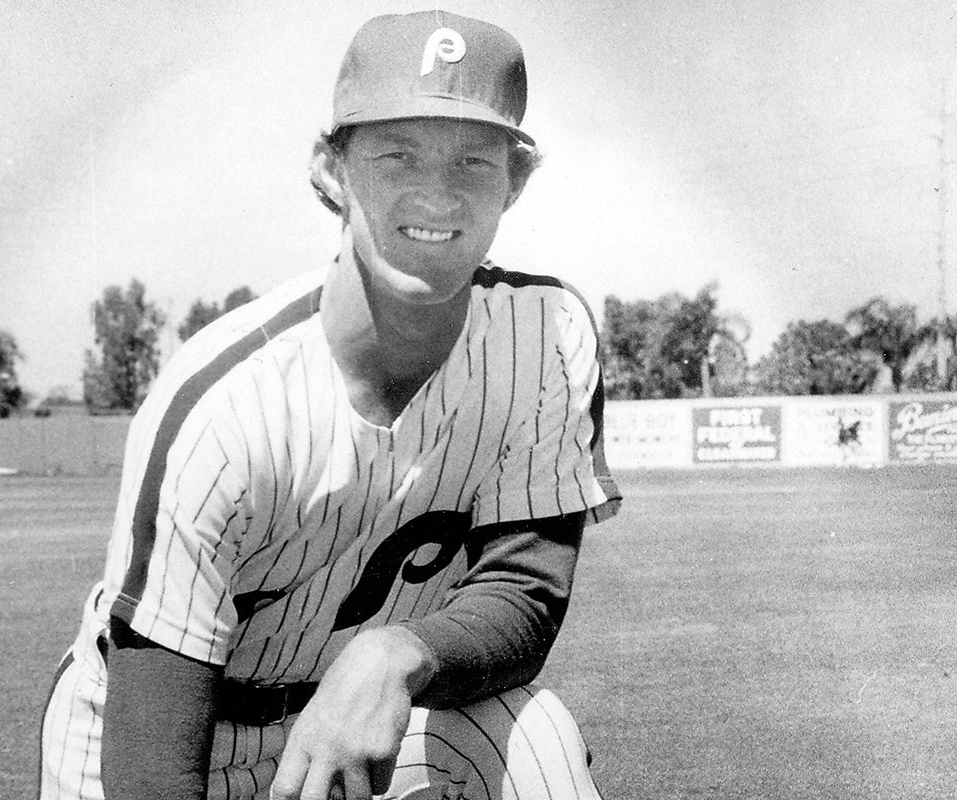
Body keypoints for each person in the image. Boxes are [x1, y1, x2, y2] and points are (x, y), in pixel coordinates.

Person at [39, 10, 622, 800]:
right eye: (396, 154)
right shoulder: (226, 406)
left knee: (535, 739)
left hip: (366, 720)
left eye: (473, 160)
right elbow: (153, 754)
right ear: (330, 170)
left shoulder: (546, 336)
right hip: (159, 735)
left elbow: (523, 593)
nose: (437, 193)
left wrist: (398, 653)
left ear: (514, 181)